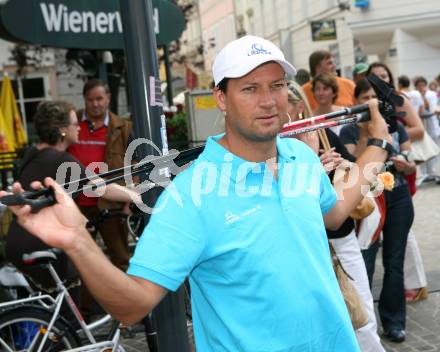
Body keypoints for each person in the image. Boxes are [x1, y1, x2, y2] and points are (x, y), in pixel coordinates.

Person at [3, 35, 392, 352]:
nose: (268, 100)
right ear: (221, 99)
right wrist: (76, 241)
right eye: (250, 88)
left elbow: (335, 211)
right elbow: (133, 305)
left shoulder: (300, 158)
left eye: (275, 86)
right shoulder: (192, 194)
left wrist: (375, 142)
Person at [5, 101, 141, 304]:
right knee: (66, 312)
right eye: (74, 123)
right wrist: (138, 196)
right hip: (42, 243)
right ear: (61, 130)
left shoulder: (33, 153)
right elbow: (100, 187)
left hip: (18, 241)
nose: (78, 127)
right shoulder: (60, 160)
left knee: (45, 313)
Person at [340, 78, 416, 343]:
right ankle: (364, 325)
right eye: (366, 98)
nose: (373, 103)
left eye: (376, 97)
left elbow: (411, 157)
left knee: (394, 263)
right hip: (365, 199)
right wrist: (367, 133)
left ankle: (395, 322)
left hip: (397, 193)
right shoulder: (350, 130)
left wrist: (406, 164)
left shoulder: (396, 125)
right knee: (365, 262)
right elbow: (352, 165)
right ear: (357, 101)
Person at [68, 79, 133, 273]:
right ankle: (84, 304)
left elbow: (134, 165)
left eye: (99, 99)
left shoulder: (123, 128)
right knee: (80, 262)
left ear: (108, 98)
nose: (95, 104)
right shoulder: (72, 123)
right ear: (84, 100)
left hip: (110, 205)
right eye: (90, 100)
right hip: (77, 205)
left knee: (120, 258)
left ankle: (124, 302)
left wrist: (129, 202)